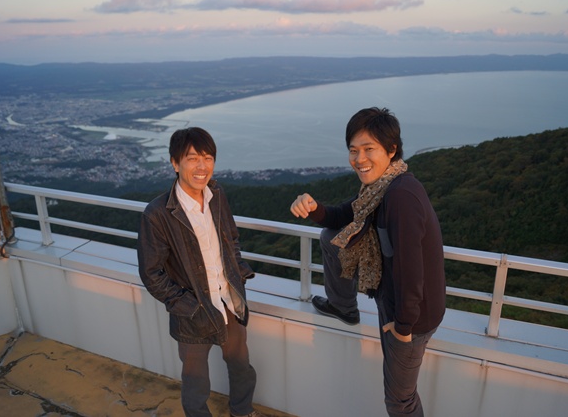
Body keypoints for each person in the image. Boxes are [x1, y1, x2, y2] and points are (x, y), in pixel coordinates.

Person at [290, 107, 446, 416]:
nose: (359, 158)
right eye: (353, 150)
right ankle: (343, 306)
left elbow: (411, 271)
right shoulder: (378, 189)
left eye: (369, 149)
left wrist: (401, 329)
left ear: (391, 149)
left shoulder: (401, 196)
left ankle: (350, 308)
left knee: (400, 401)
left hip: (411, 317)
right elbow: (341, 216)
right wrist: (313, 208)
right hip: (392, 300)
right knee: (329, 235)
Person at [137, 127, 263, 417]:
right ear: (175, 163)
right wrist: (188, 306)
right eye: (193, 158)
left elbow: (231, 238)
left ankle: (242, 411)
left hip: (227, 302)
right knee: (196, 385)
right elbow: (151, 273)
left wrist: (238, 272)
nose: (202, 166)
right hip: (193, 312)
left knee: (242, 366)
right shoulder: (157, 213)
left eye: (208, 158)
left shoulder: (217, 195)